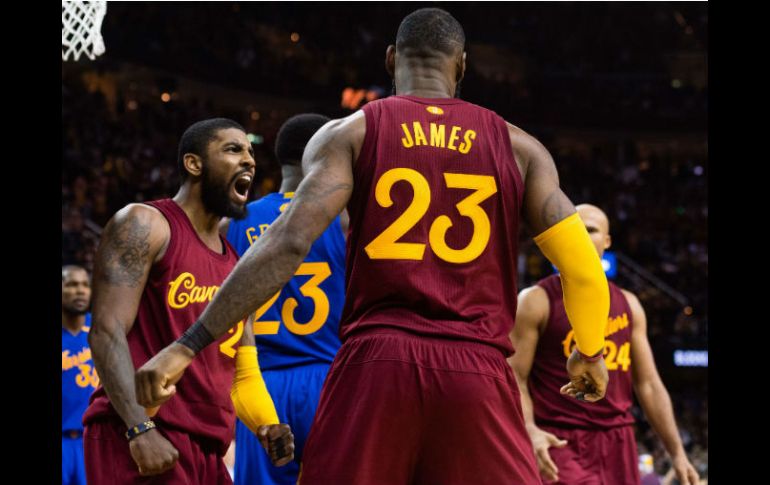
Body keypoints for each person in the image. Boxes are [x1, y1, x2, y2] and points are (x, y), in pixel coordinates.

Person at [136, 9, 612, 484]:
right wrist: (589, 351)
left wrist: (188, 344)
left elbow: (287, 243)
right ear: (462, 66)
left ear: (390, 60)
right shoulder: (520, 148)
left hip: (374, 366)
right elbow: (585, 270)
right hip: (476, 368)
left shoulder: (351, 133)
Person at [82, 118, 294, 484]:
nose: (249, 160)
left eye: (251, 152)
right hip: (141, 435)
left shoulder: (235, 264)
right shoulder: (146, 224)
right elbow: (105, 331)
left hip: (207, 448)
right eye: (233, 149)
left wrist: (266, 423)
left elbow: (242, 370)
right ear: (193, 164)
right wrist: (138, 428)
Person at [509, 203, 700, 485]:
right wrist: (529, 429)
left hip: (619, 441)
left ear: (607, 241)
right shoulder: (535, 300)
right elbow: (514, 376)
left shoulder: (629, 304)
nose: (582, 237)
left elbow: (648, 384)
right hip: (561, 441)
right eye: (575, 230)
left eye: (591, 230)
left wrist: (678, 453)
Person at [223, 113, 346, 485]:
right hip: (330, 379)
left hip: (259, 384)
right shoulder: (343, 219)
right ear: (325, 151)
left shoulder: (234, 221)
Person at [62, 265, 96, 485]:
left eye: (85, 285)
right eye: (72, 285)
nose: (80, 291)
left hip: (93, 440)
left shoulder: (101, 328)